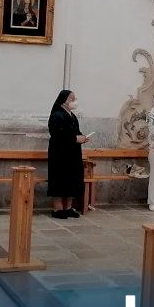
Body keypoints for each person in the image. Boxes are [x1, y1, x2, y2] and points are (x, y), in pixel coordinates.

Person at [47, 90, 88, 219]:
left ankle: (68, 207)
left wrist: (82, 137)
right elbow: (57, 134)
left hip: (73, 153)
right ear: (63, 100)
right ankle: (57, 209)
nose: (74, 101)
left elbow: (75, 132)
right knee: (59, 179)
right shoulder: (57, 115)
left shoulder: (72, 116)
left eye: (75, 98)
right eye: (72, 99)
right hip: (60, 154)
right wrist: (75, 139)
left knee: (72, 179)